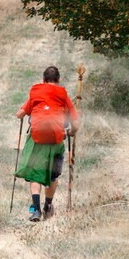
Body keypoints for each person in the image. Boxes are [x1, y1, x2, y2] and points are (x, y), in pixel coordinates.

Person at [15, 66, 81, 221]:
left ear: (43, 80)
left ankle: (36, 211)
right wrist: (71, 132)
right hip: (56, 140)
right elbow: (76, 122)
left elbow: (20, 114)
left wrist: (23, 113)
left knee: (35, 176)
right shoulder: (63, 94)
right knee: (52, 177)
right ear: (58, 80)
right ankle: (48, 206)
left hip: (37, 139)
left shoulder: (35, 91)